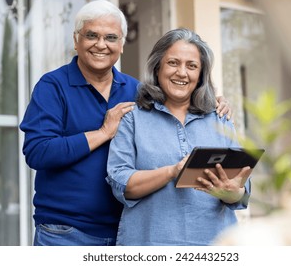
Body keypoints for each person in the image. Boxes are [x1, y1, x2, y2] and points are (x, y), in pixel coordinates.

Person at [19, 0, 231, 246]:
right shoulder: (53, 86)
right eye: (91, 35)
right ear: (76, 41)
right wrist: (102, 133)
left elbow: (176, 101)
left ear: (121, 45)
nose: (101, 44)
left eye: (110, 37)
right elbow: (38, 152)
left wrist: (214, 101)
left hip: (126, 231)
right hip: (66, 231)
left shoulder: (137, 91)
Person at [106, 28, 252, 246]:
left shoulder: (220, 118)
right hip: (150, 245)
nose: (182, 73)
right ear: (157, 68)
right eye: (173, 63)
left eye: (191, 66)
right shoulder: (133, 119)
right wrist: (172, 171)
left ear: (200, 75)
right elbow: (121, 184)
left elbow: (242, 193)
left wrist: (231, 192)